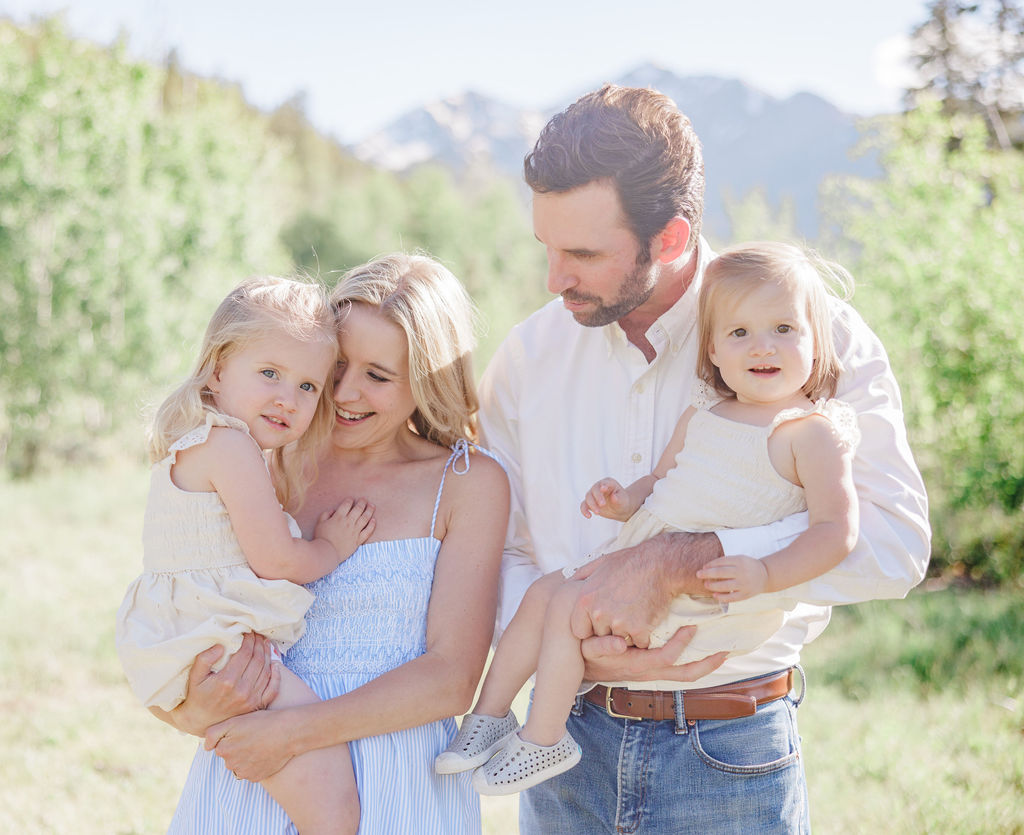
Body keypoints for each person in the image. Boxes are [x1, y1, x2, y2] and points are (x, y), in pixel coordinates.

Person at [477, 84, 930, 833]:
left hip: (732, 752)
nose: (554, 279)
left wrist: (685, 560)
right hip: (563, 752)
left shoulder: (809, 334)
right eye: (547, 249)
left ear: (673, 239)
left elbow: (895, 543)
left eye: (582, 254)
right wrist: (579, 648)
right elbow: (503, 547)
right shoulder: (528, 355)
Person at [437, 242, 861, 796]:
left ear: (817, 340)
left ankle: (545, 738)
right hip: (639, 552)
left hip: (710, 599)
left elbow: (837, 530)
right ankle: (490, 716)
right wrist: (623, 500)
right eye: (740, 334)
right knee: (543, 594)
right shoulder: (705, 413)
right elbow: (660, 481)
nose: (763, 347)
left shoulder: (809, 432)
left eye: (784, 329)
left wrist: (767, 573)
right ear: (713, 348)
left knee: (566, 604)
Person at [154, 253, 509, 834]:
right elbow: (179, 609)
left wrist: (292, 733)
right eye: (337, 365)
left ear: (426, 381)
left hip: (395, 775)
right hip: (257, 769)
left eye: (378, 375)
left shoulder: (467, 482)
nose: (344, 392)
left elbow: (451, 679)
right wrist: (194, 713)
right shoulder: (262, 458)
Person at [116, 275, 374, 834]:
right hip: (223, 646)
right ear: (216, 369)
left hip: (201, 638)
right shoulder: (231, 447)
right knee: (333, 803)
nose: (288, 397)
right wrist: (332, 546)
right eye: (269, 374)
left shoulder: (207, 443)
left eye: (309, 386)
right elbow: (276, 561)